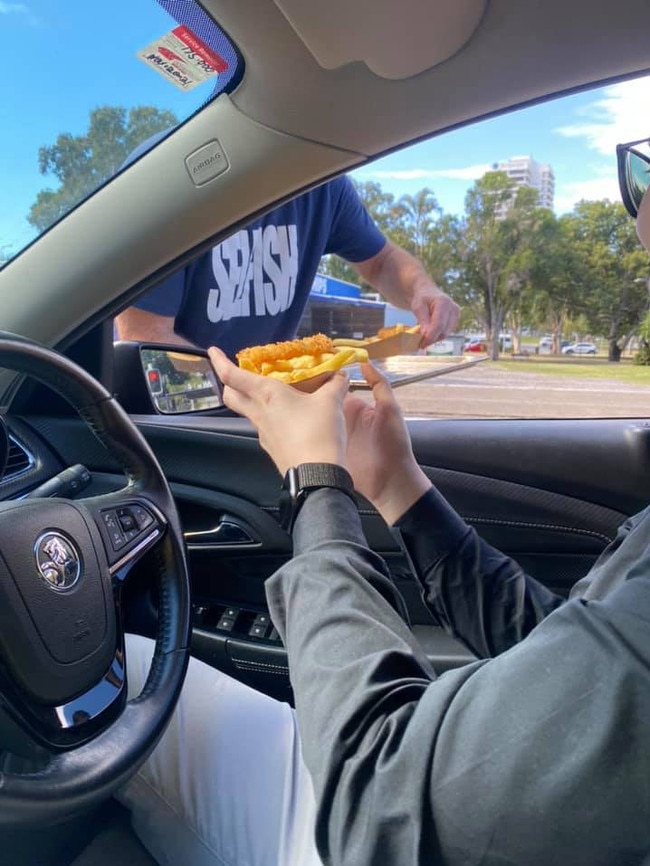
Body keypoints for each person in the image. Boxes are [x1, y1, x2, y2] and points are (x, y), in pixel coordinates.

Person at [119, 149, 650, 866]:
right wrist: (398, 487)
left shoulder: (320, 191)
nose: (637, 199)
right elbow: (559, 645)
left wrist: (316, 485)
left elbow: (376, 801)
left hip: (372, 815)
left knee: (127, 682)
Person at [114, 173, 460, 357]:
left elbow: (382, 262)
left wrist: (423, 290)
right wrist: (257, 393)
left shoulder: (324, 183)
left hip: (269, 403)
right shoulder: (168, 178)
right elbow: (146, 337)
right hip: (179, 414)